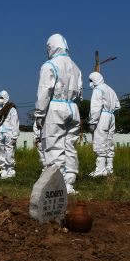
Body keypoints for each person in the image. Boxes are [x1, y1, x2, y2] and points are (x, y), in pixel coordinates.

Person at [34, 34, 83, 194]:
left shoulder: (50, 65)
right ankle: (69, 182)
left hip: (55, 107)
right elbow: (80, 94)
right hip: (73, 108)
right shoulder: (76, 67)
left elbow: (44, 91)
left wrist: (39, 114)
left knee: (54, 145)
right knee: (70, 145)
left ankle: (57, 183)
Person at [88, 72, 121, 177]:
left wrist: (93, 121)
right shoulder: (110, 89)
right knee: (109, 142)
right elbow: (117, 106)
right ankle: (109, 168)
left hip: (102, 116)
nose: (90, 83)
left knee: (100, 142)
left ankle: (100, 170)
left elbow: (96, 107)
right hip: (111, 116)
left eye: (90, 80)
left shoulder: (98, 89)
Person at [0, 90, 20, 179]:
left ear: (6, 98)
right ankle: (3, 169)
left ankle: (10, 169)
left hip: (9, 133)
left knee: (9, 151)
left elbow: (15, 122)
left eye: (2, 98)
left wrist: (15, 134)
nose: (0, 100)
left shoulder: (11, 109)